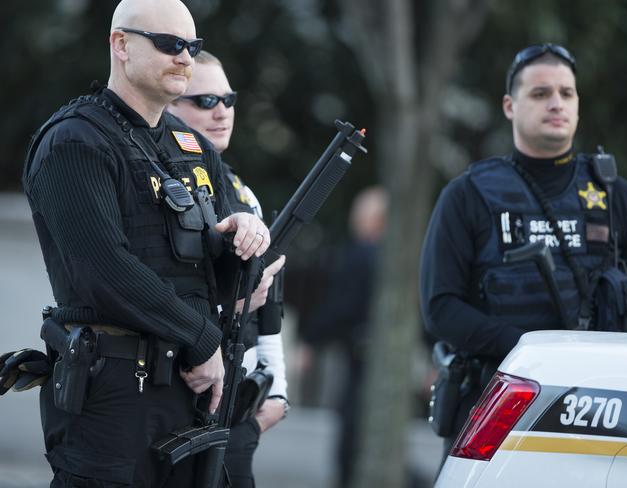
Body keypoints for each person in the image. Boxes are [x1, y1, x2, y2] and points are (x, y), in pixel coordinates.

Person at [21, 1, 272, 486]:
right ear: (121, 45)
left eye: (192, 47)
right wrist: (203, 340)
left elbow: (220, 279)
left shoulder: (190, 145)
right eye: (170, 44)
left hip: (192, 393)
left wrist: (245, 241)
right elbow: (104, 273)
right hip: (112, 396)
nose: (185, 58)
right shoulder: (75, 141)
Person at [419, 43, 627, 463]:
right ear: (510, 105)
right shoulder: (468, 195)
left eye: (567, 93)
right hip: (497, 409)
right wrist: (533, 354)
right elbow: (440, 308)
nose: (556, 103)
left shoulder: (616, 197)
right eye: (541, 93)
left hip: (605, 417)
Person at [167, 50, 289, 488]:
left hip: (240, 403)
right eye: (204, 101)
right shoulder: (168, 182)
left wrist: (276, 396)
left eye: (229, 98)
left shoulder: (241, 190)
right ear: (170, 104)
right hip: (182, 390)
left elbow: (270, 303)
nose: (221, 112)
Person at [297, 186, 387, 488]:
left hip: (362, 353)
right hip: (374, 354)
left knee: (352, 429)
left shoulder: (364, 254)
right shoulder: (388, 256)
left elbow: (340, 307)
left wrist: (310, 340)